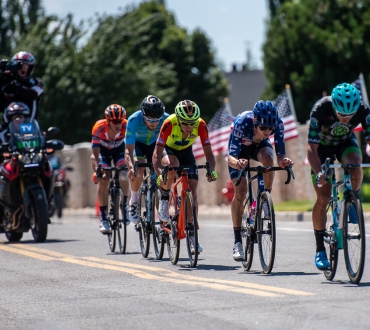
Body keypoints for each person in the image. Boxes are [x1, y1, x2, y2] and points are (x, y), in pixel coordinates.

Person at [306, 83, 370, 270]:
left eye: (350, 117)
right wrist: (319, 173)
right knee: (323, 197)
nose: (346, 120)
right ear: (334, 107)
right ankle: (319, 250)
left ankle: (351, 199)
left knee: (355, 162)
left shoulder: (363, 110)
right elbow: (311, 149)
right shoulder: (321, 108)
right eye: (342, 115)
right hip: (322, 149)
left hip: (344, 144)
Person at [0, 51, 44, 221]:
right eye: (20, 65)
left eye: (26, 65)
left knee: (44, 161)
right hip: (9, 131)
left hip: (31, 129)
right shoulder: (6, 85)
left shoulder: (35, 83)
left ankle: (48, 198)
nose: (23, 68)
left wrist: (13, 83)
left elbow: (31, 95)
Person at [226, 100, 294, 261]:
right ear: (255, 122)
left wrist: (284, 160)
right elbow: (230, 158)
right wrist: (238, 163)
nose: (267, 131)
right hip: (239, 151)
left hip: (259, 147)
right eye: (263, 128)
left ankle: (264, 198)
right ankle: (237, 242)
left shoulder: (277, 124)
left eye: (270, 129)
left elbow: (280, 153)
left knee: (268, 159)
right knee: (240, 193)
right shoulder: (243, 122)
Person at [153, 100, 218, 253]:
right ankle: (164, 198)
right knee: (173, 164)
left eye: (192, 123)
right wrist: (158, 173)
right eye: (185, 123)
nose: (189, 127)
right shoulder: (169, 123)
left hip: (187, 153)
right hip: (168, 151)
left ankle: (192, 234)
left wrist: (212, 170)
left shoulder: (201, 125)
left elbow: (209, 153)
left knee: (193, 193)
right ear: (179, 120)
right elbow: (156, 153)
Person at [124, 95, 170, 224]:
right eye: (150, 119)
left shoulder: (167, 119)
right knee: (140, 168)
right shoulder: (133, 120)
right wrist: (131, 167)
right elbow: (128, 150)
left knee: (163, 171)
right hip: (138, 146)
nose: (154, 123)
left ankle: (163, 211)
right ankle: (134, 200)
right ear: (143, 115)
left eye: (157, 120)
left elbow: (171, 146)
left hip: (156, 145)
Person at [0, 102, 32, 226]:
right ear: (9, 119)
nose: (19, 119)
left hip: (29, 159)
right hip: (7, 162)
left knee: (49, 170)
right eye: (15, 117)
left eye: (21, 116)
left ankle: (48, 202)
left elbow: (40, 139)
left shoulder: (30, 129)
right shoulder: (0, 130)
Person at [90, 104, 130, 234]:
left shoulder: (126, 126)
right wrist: (97, 170)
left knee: (124, 175)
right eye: (115, 121)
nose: (118, 124)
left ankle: (124, 206)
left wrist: (130, 164)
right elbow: (94, 155)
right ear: (108, 121)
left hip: (119, 150)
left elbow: (130, 147)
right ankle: (103, 216)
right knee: (104, 177)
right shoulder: (99, 128)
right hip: (103, 152)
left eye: (121, 120)